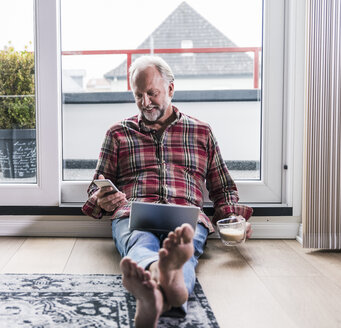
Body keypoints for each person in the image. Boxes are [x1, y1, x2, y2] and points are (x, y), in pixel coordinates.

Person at [82, 55, 253, 327]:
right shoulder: (117, 133)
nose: (145, 102)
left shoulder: (201, 132)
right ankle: (169, 283)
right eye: (139, 95)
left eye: (152, 93)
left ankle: (155, 293)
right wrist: (102, 199)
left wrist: (233, 219)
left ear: (171, 89)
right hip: (133, 212)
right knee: (140, 241)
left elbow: (223, 187)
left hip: (186, 217)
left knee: (185, 246)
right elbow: (96, 186)